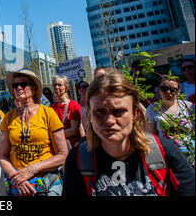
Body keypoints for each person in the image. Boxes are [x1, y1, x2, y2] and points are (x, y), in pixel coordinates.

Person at [62, 71, 195, 196]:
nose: (109, 120)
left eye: (118, 111)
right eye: (100, 111)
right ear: (90, 114)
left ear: (135, 113)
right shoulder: (78, 160)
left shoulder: (164, 150)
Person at [0, 70, 68, 196]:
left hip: (47, 185)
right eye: (15, 85)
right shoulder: (9, 117)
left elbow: (63, 155)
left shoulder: (48, 113)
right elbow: (2, 156)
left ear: (34, 89)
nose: (19, 88)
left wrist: (33, 169)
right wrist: (16, 177)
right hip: (19, 188)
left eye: (23, 84)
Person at [146, 77, 195, 165]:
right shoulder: (152, 109)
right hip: (169, 158)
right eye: (164, 88)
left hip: (191, 155)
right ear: (159, 90)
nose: (168, 92)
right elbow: (151, 137)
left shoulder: (188, 106)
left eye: (173, 89)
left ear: (178, 91)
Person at [51, 76, 84, 149]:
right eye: (54, 85)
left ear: (66, 87)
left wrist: (53, 136)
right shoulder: (50, 108)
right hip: (58, 148)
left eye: (60, 85)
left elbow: (73, 130)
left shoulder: (74, 105)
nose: (56, 87)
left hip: (73, 147)